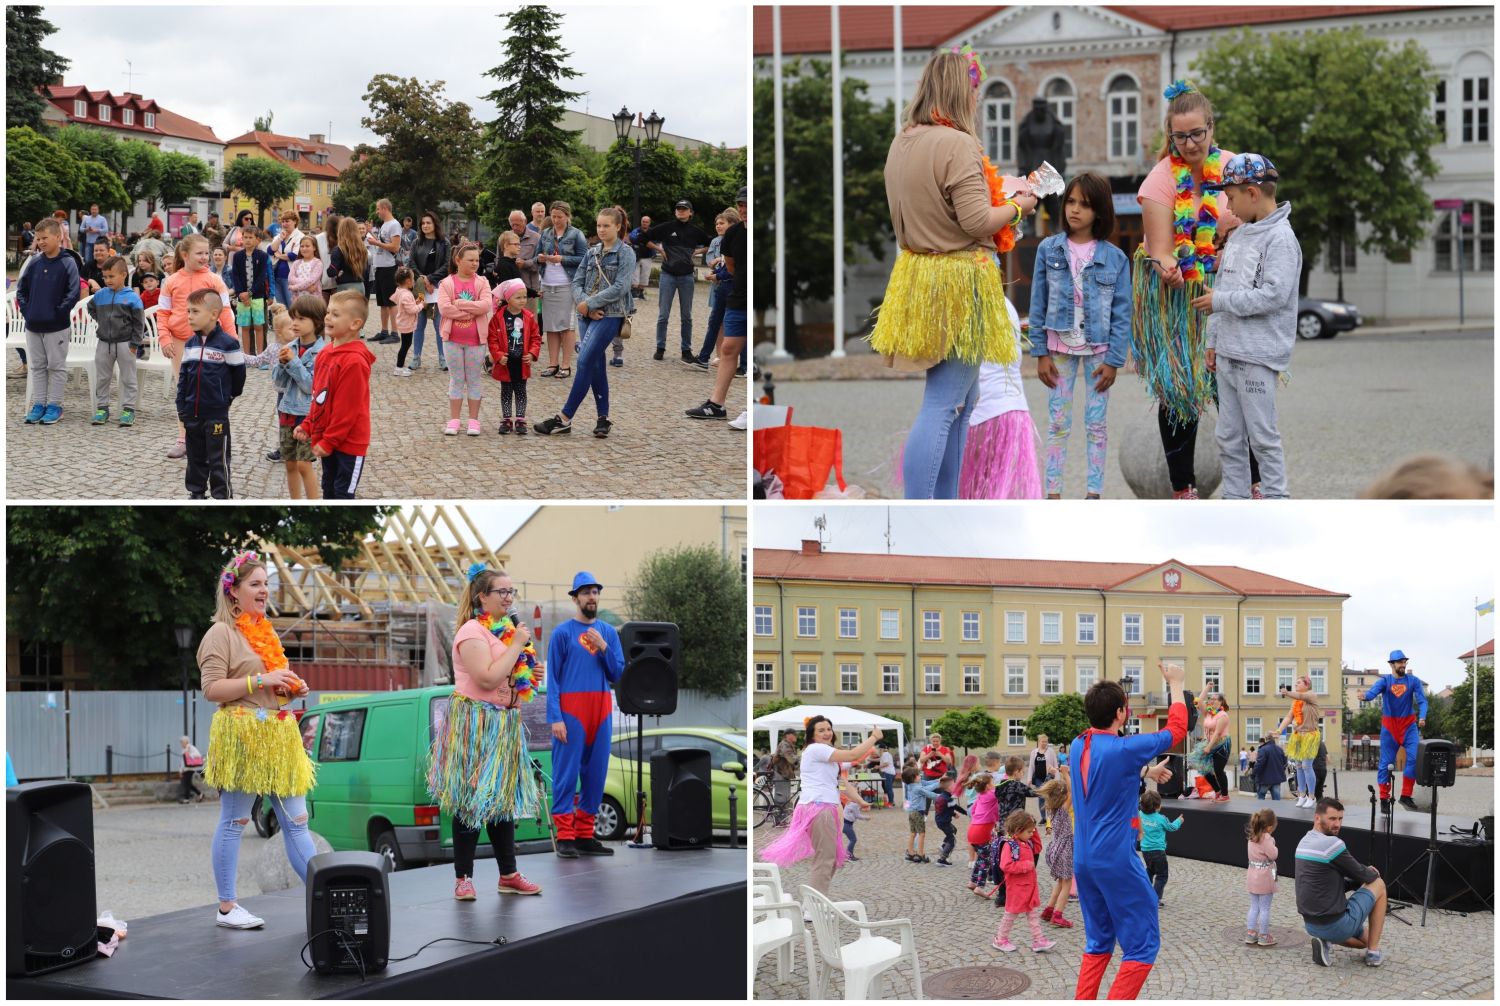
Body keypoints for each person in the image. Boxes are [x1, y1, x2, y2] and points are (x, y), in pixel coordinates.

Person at [868, 49, 1038, 498]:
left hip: (919, 275)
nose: (978, 99)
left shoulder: (904, 140)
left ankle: (945, 502)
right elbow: (977, 221)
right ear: (961, 90)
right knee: (944, 403)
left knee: (963, 403)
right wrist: (1020, 205)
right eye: (975, 89)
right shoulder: (958, 143)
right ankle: (923, 505)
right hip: (960, 278)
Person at [1134, 80, 1251, 499]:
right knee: (1181, 389)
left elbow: (1259, 220)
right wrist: (1169, 268)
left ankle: (1255, 484)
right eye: (1179, 136)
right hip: (1180, 300)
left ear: (1211, 128)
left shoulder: (1237, 167)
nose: (1189, 143)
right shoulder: (1159, 181)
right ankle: (1184, 488)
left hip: (1231, 294)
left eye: (1196, 133)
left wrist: (1225, 231)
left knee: (1237, 386)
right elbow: (1163, 250)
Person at [198, 550, 316, 929]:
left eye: (267, 583)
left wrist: (290, 691)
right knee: (235, 820)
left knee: (297, 821)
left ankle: (322, 897)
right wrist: (261, 680)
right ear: (234, 592)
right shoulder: (221, 633)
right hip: (243, 736)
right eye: (256, 584)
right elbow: (213, 689)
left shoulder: (265, 631)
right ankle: (227, 908)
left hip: (278, 735)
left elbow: (270, 690)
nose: (265, 590)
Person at [1070, 663, 1188, 1000]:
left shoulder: (1079, 744)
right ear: (1121, 713)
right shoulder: (1124, 748)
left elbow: (1101, 771)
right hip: (1115, 859)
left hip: (1084, 860)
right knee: (1142, 945)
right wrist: (1176, 683)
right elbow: (1177, 727)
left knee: (1099, 940)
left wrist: (1146, 771)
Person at [428, 565, 545, 898]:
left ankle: (508, 874)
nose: (509, 598)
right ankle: (462, 878)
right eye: (502, 592)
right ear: (483, 597)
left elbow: (513, 680)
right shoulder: (471, 632)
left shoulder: (507, 631)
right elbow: (487, 678)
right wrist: (518, 645)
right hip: (475, 723)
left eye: (512, 592)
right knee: (470, 799)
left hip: (505, 723)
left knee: (502, 800)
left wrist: (529, 674)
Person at [1191, 154, 1300, 499]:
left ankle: (1276, 502)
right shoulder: (1239, 236)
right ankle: (1234, 503)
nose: (1229, 206)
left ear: (1253, 193)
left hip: (1257, 356)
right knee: (1228, 437)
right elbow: (1220, 287)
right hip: (1227, 353)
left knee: (1263, 438)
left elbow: (1274, 295)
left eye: (1232, 197)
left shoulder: (1281, 240)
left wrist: (1220, 303)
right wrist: (1212, 338)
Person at [1030, 171, 1131, 499]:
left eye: (1084, 205)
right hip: (1058, 350)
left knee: (1096, 425)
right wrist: (1040, 353)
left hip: (1099, 353)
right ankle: (1054, 494)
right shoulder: (1049, 250)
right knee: (1058, 424)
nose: (1075, 210)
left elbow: (1121, 312)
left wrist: (1115, 360)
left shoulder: (1114, 258)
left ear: (1099, 211)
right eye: (1071, 202)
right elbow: (1038, 303)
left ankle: (1093, 494)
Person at [534, 207, 636, 439]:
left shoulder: (626, 253)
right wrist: (585, 305)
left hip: (610, 315)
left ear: (618, 227)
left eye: (606, 226)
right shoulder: (592, 252)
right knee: (596, 365)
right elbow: (577, 281)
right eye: (599, 225)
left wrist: (589, 303)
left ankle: (564, 418)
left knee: (584, 360)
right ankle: (603, 419)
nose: (601, 230)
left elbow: (621, 287)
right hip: (586, 315)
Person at [546, 572, 625, 857]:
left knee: (596, 774)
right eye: (586, 592)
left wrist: (603, 647)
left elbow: (618, 672)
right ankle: (565, 835)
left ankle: (584, 834)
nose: (592, 597)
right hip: (571, 711)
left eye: (595, 592)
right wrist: (555, 717)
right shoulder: (562, 634)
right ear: (576, 597)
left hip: (602, 710)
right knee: (566, 773)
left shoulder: (609, 633)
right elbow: (552, 679)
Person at [759, 715, 883, 896]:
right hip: (819, 808)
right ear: (812, 735)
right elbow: (853, 754)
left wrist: (860, 800)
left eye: (828, 729)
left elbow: (840, 782)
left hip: (823, 808)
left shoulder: (826, 753)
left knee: (830, 859)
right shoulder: (816, 749)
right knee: (825, 859)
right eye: (821, 730)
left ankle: (815, 902)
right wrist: (874, 737)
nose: (826, 733)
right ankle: (812, 907)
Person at [157, 234, 237, 458]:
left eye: (206, 253)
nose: (205, 257)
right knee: (185, 391)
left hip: (210, 343)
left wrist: (232, 340)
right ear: (185, 255)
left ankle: (212, 436)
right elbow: (163, 313)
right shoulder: (171, 281)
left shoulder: (214, 280)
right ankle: (184, 438)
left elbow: (226, 311)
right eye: (199, 253)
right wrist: (164, 338)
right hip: (179, 342)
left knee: (210, 390)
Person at [957, 293, 1040, 498]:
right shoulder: (1005, 303)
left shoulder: (973, 304)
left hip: (987, 414)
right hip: (1014, 410)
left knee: (977, 495)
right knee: (996, 494)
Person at [294, 290, 373, 499]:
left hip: (349, 443)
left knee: (343, 495)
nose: (328, 317)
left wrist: (329, 441)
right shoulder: (325, 354)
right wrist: (309, 424)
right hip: (327, 439)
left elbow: (347, 410)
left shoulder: (355, 362)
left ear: (355, 324)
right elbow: (318, 398)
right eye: (328, 312)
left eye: (336, 314)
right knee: (328, 489)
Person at [1295, 797, 1388, 967]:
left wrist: (1358, 878)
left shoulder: (1304, 842)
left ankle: (1326, 941)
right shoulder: (1332, 844)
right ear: (1317, 818)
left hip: (1311, 924)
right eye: (1332, 819)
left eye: (1340, 819)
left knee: (1365, 940)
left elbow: (1331, 885)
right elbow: (1366, 876)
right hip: (1336, 923)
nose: (1337, 824)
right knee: (1379, 885)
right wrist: (1370, 872)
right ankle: (1373, 954)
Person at [684, 189, 749, 423]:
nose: (743, 209)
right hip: (739, 296)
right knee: (729, 348)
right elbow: (731, 266)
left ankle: (755, 407)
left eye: (747, 204)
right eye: (740, 204)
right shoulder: (733, 234)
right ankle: (716, 404)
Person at [177, 289, 246, 499]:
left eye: (195, 311)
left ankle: (222, 495)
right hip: (192, 413)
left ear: (214, 314)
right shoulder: (190, 345)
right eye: (188, 311)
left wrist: (227, 398)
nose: (189, 316)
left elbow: (238, 376)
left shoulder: (228, 344)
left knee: (218, 459)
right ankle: (196, 492)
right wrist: (182, 407)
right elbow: (183, 379)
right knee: (195, 457)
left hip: (216, 414)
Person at [16, 219, 81, 427]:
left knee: (56, 366)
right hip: (33, 325)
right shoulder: (34, 262)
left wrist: (59, 313)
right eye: (38, 238)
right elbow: (21, 290)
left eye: (45, 238)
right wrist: (28, 312)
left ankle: (55, 405)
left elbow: (73, 292)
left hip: (56, 326)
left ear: (58, 237)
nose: (41, 242)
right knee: (37, 367)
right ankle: (39, 404)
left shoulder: (67, 262)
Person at [271, 295, 326, 499]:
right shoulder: (291, 346)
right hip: (286, 412)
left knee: (304, 464)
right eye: (294, 318)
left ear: (317, 322)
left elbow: (312, 386)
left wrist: (293, 363)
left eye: (302, 319)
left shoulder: (321, 353)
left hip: (307, 415)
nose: (295, 323)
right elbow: (278, 383)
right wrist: (282, 363)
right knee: (290, 464)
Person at [643, 199, 710, 364]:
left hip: (687, 276)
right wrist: (659, 248)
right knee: (663, 315)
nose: (681, 211)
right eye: (678, 209)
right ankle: (660, 347)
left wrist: (697, 252)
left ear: (690, 213)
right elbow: (642, 236)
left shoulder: (695, 231)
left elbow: (711, 243)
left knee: (686, 316)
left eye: (684, 209)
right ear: (675, 212)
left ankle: (686, 350)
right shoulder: (666, 228)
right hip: (668, 275)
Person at [436, 244, 494, 436]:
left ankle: (474, 420)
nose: (475, 263)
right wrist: (469, 312)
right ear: (458, 261)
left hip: (476, 340)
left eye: (477, 260)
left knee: (474, 378)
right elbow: (445, 309)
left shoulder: (483, 282)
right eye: (470, 260)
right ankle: (454, 420)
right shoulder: (446, 283)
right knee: (456, 379)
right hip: (452, 339)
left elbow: (485, 305)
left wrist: (460, 304)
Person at [1365, 649, 1428, 813]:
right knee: (1386, 764)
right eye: (1400, 662)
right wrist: (1365, 697)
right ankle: (1384, 799)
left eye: (1405, 661)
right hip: (1390, 728)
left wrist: (1422, 717)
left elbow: (1422, 701)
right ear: (1392, 664)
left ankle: (1406, 795)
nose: (1403, 664)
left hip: (1408, 726)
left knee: (1415, 758)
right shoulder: (1385, 681)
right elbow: (1372, 693)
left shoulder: (1413, 681)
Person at [87, 256, 144, 428]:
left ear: (123, 275)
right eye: (105, 277)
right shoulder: (100, 295)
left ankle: (128, 410)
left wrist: (134, 344)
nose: (107, 280)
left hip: (125, 344)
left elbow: (139, 323)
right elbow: (90, 308)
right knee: (103, 377)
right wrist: (102, 321)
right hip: (104, 343)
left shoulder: (132, 298)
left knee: (128, 378)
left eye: (111, 276)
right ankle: (102, 409)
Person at [535, 201, 588, 378]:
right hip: (548, 283)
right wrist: (541, 258)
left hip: (566, 283)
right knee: (550, 326)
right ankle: (552, 363)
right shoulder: (545, 234)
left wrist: (562, 259)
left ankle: (566, 364)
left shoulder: (576, 234)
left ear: (567, 216)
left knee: (566, 325)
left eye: (560, 217)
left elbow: (583, 258)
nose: (556, 220)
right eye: (554, 216)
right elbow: (536, 256)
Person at [991, 809, 1054, 954]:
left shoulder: (1026, 842)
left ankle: (1038, 940)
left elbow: (1038, 847)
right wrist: (1025, 866)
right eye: (1029, 832)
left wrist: (1034, 830)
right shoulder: (1010, 845)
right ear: (1018, 831)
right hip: (1017, 888)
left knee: (1032, 914)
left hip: (1029, 887)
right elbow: (1005, 865)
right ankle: (1000, 940)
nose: (1031, 834)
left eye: (1032, 831)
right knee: (1010, 914)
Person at [487, 278, 541, 434]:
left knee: (521, 390)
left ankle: (520, 419)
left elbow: (536, 337)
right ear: (508, 298)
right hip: (505, 362)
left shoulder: (529, 317)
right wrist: (497, 355)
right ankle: (506, 419)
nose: (522, 300)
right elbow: (492, 339)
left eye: (524, 297)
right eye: (518, 297)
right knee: (506, 391)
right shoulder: (498, 318)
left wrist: (532, 353)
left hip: (522, 362)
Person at [409, 211, 450, 371]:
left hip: (437, 289)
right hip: (420, 288)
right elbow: (411, 263)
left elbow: (447, 266)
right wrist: (424, 279)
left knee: (439, 325)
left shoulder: (444, 243)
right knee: (419, 324)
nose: (425, 226)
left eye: (428, 223)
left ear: (435, 224)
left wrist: (431, 279)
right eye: (423, 223)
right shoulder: (416, 242)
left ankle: (442, 358)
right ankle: (416, 357)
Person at [1276, 676, 1323, 808]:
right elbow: (1288, 717)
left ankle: (1312, 796)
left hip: (1310, 735)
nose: (1295, 684)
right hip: (1298, 736)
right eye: (1295, 683)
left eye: (1298, 682)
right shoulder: (1295, 702)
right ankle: (1301, 795)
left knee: (1307, 765)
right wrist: (1279, 731)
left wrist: (1287, 693)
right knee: (1298, 766)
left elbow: (1300, 696)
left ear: (1307, 685)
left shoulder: (1311, 695)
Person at [1036, 776, 1075, 928]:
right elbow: (1073, 791)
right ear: (1063, 796)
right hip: (1064, 849)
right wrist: (1066, 774)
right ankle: (1058, 915)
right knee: (1067, 883)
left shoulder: (1050, 809)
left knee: (1060, 881)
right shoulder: (1063, 810)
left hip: (1055, 848)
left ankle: (1048, 910)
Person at [229, 225, 270, 362]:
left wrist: (250, 293)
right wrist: (241, 293)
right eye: (245, 237)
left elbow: (261, 276)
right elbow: (235, 275)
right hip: (242, 297)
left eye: (250, 237)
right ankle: (247, 357)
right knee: (245, 327)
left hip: (257, 296)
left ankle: (260, 357)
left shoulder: (262, 256)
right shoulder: (237, 256)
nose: (247, 240)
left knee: (259, 326)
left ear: (257, 239)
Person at [1137, 789, 1183, 905]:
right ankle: (1154, 899)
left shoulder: (1139, 815)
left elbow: (1133, 826)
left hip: (1145, 850)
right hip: (1158, 852)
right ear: (1158, 806)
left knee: (1150, 870)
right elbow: (1172, 828)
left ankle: (1144, 894)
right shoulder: (1161, 818)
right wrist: (1179, 821)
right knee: (1162, 875)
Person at [367, 199, 403, 344]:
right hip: (380, 266)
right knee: (382, 302)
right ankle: (384, 331)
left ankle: (395, 333)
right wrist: (372, 234)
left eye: (377, 209)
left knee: (391, 302)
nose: (376, 212)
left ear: (385, 208)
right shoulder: (384, 225)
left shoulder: (394, 225)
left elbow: (395, 247)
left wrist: (375, 242)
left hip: (389, 267)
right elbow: (384, 244)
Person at [1245, 808, 1279, 946]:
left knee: (1254, 907)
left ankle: (1251, 933)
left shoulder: (1251, 837)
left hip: (1252, 875)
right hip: (1265, 877)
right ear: (1270, 827)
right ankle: (1264, 936)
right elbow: (1273, 855)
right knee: (1265, 908)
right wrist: (1274, 845)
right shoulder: (1267, 840)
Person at [901, 763, 941, 862]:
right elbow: (930, 794)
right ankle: (921, 854)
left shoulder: (911, 785)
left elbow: (926, 786)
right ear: (913, 778)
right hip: (918, 813)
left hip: (912, 812)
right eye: (918, 775)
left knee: (913, 833)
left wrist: (937, 781)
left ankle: (910, 853)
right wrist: (941, 796)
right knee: (922, 834)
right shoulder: (918, 788)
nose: (920, 776)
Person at [966, 772, 999, 892]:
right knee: (987, 858)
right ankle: (980, 886)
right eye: (992, 783)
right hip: (982, 831)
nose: (994, 785)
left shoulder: (980, 796)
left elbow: (973, 811)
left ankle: (972, 881)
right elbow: (1001, 791)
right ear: (987, 786)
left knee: (981, 856)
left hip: (972, 830)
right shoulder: (991, 794)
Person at [506, 209, 542, 314]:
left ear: (525, 222)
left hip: (529, 289)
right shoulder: (505, 238)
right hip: (510, 289)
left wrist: (525, 264)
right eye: (512, 225)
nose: (515, 228)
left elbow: (540, 262)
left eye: (517, 224)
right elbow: (498, 259)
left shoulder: (536, 238)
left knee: (530, 322)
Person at [388, 267, 422, 377]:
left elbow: (408, 305)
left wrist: (415, 302)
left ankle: (400, 367)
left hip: (403, 322)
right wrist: (421, 305)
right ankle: (398, 368)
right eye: (413, 279)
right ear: (408, 281)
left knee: (405, 345)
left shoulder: (401, 291)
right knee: (405, 346)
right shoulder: (406, 294)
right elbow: (411, 310)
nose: (414, 281)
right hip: (406, 323)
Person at [1199, 692, 1232, 801]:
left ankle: (1225, 795)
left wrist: (1208, 747)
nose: (1212, 700)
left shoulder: (1223, 715)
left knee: (1218, 770)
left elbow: (1218, 733)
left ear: (1221, 701)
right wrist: (1207, 688)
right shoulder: (1208, 713)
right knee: (1205, 769)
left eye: (1215, 699)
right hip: (1209, 743)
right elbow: (1199, 701)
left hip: (1222, 745)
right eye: (1210, 698)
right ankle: (1217, 791)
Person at [268, 211, 304, 309]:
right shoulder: (279, 235)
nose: (284, 224)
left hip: (290, 277)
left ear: (295, 221)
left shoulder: (300, 236)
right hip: (276, 276)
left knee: (292, 306)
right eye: (283, 221)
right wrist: (280, 238)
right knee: (281, 308)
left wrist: (279, 255)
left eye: (287, 221)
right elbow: (270, 250)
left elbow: (294, 255)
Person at [326, 217, 368, 297]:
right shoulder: (363, 249)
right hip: (360, 286)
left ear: (341, 231)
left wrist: (338, 273)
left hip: (345, 288)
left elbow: (331, 272)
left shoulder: (339, 250)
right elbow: (366, 271)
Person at [932, 772, 966, 865]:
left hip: (940, 820)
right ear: (949, 788)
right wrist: (966, 813)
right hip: (944, 822)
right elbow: (955, 807)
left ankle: (943, 846)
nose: (955, 786)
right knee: (952, 840)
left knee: (953, 830)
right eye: (953, 785)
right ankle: (942, 859)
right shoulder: (949, 799)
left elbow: (947, 809)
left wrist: (953, 814)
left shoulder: (942, 796)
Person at [1026, 733, 1059, 825]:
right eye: (1043, 741)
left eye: (1046, 742)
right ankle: (1043, 817)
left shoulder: (1051, 751)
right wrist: (1029, 779)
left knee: (1050, 797)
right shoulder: (1034, 752)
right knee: (1041, 797)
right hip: (1038, 778)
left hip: (1049, 778)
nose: (1044, 743)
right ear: (1039, 742)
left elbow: (1055, 765)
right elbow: (1031, 767)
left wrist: (1057, 778)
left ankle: (1051, 817)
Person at [1254, 734, 1287, 801]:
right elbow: (1284, 763)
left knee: (1261, 797)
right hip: (1277, 779)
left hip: (1264, 779)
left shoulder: (1263, 749)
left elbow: (1259, 764)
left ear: (1266, 739)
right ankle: (1276, 811)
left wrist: (1253, 774)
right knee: (1276, 800)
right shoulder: (1280, 749)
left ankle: (1262, 811)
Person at [628, 214, 654, 298]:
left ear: (649, 223)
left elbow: (654, 241)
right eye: (643, 221)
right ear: (641, 222)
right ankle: (634, 293)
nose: (645, 223)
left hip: (648, 256)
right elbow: (632, 238)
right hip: (636, 256)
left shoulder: (652, 232)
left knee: (645, 275)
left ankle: (641, 293)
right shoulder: (636, 231)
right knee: (635, 275)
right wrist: (645, 242)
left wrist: (643, 241)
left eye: (646, 222)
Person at [178, 735, 206, 803]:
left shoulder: (189, 747)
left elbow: (196, 756)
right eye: (181, 742)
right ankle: (200, 794)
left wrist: (190, 756)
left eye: (182, 742)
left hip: (189, 769)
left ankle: (186, 799)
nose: (181, 744)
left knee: (186, 784)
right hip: (187, 769)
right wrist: (180, 771)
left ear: (186, 742)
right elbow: (183, 761)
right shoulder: (185, 749)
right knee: (188, 784)